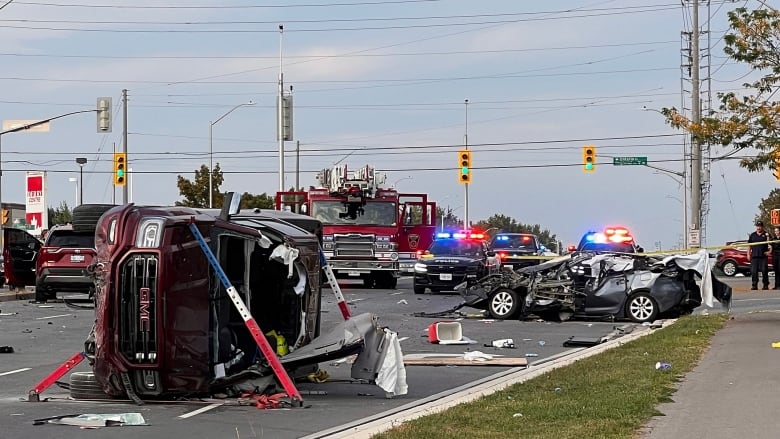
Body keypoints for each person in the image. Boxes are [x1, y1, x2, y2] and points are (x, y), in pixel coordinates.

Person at [748, 220, 770, 290]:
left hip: (763, 256)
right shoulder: (752, 235)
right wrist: (748, 254)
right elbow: (749, 245)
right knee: (754, 271)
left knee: (764, 270)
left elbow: (770, 244)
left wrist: (769, 251)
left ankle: (765, 285)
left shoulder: (766, 235)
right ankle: (754, 285)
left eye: (760, 226)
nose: (758, 228)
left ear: (762, 227)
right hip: (754, 256)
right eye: (757, 226)